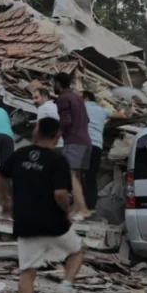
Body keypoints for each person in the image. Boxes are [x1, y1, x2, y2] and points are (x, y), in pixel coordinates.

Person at [0, 117, 87, 293]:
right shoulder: (58, 160)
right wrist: (66, 211)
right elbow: (60, 194)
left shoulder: (20, 155)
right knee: (77, 251)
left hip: (26, 223)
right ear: (57, 136)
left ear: (36, 133)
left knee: (27, 273)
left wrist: (4, 201)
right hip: (54, 223)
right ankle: (65, 286)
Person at [53, 73, 92, 218]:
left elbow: (66, 121)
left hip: (74, 141)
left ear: (57, 83)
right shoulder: (79, 98)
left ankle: (82, 209)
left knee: (70, 176)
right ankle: (77, 210)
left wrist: (57, 136)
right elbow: (87, 119)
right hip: (86, 141)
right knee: (75, 176)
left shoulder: (63, 98)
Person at [83, 91, 124, 212]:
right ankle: (91, 207)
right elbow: (123, 116)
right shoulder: (101, 110)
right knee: (90, 177)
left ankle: (79, 206)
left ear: (85, 98)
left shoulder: (80, 106)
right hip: (97, 146)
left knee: (77, 176)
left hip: (83, 145)